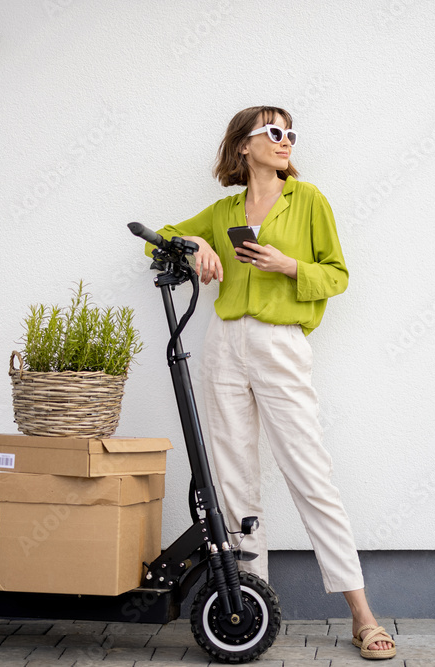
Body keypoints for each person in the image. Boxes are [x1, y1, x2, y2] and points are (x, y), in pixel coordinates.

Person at [146, 106, 396, 659]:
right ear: (244, 145)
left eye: (290, 133)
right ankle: (247, 607)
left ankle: (363, 615)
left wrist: (287, 266)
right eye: (274, 132)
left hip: (280, 344)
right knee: (234, 483)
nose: (286, 141)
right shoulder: (224, 208)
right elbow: (155, 239)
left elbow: (337, 274)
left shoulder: (307, 200)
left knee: (311, 475)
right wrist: (195, 245)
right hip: (224, 344)